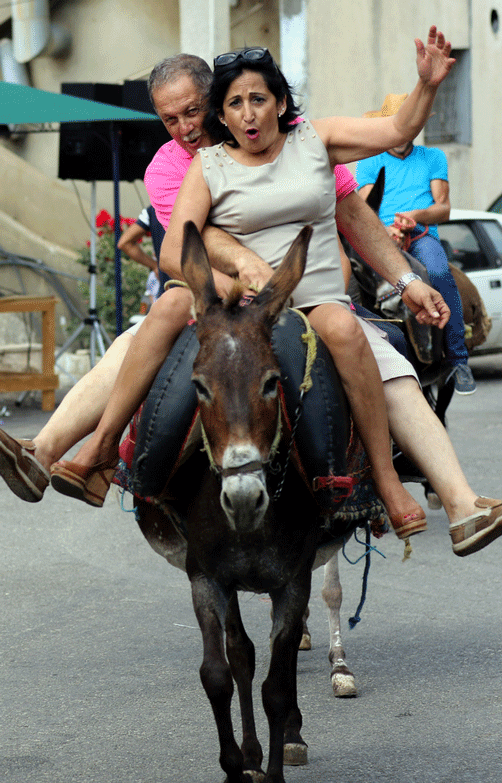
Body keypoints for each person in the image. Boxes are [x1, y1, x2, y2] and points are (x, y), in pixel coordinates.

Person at [1, 48, 500, 556]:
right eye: (169, 119)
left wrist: (403, 278)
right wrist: (244, 271)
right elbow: (187, 246)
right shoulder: (180, 166)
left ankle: (457, 501)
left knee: (382, 361)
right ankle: (56, 452)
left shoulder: (305, 140)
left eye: (193, 112)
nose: (184, 129)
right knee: (147, 331)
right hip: (218, 297)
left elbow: (354, 208)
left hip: (310, 294)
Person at [356, 92, 476, 395]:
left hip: (421, 235)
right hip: (380, 236)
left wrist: (413, 216)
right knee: (352, 284)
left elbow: (443, 208)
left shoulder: (432, 157)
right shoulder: (370, 160)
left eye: (410, 122)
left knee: (436, 272)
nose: (403, 128)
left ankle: (458, 359)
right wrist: (384, 230)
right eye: (398, 122)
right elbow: (362, 208)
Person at [117, 204, 168, 299]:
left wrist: (155, 266)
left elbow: (124, 243)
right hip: (192, 288)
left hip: (167, 291)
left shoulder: (153, 209)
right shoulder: (194, 198)